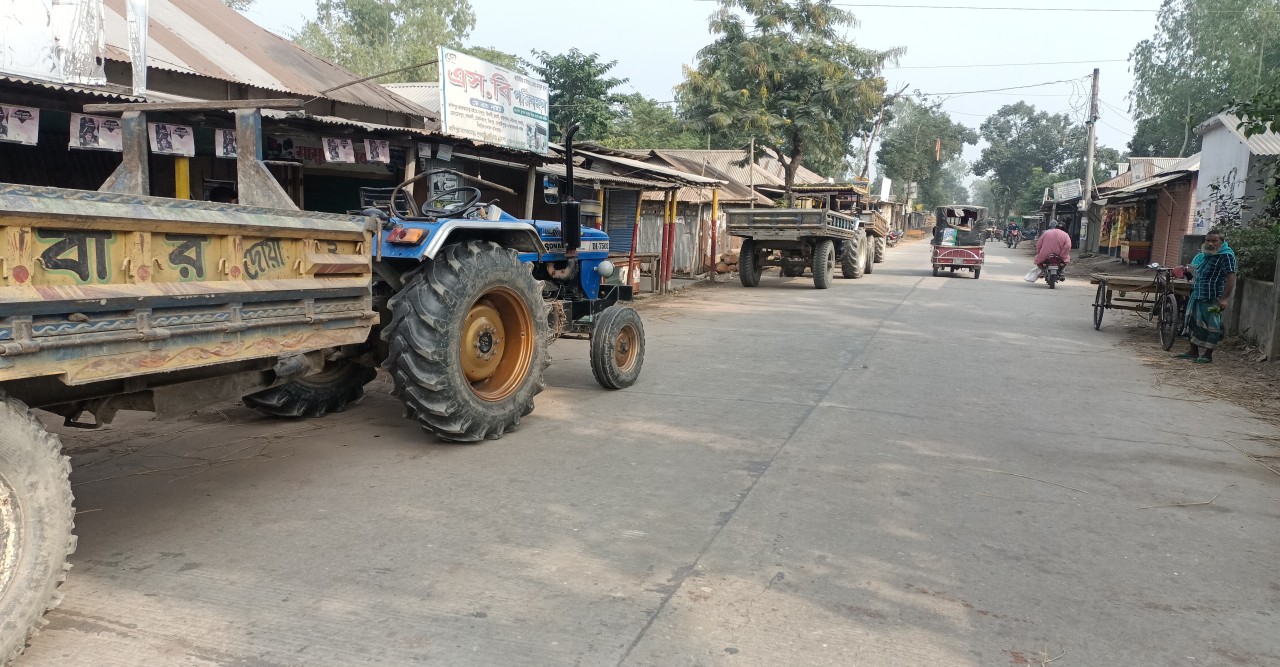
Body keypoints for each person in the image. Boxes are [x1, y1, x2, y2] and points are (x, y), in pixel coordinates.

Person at [1177, 229, 1237, 363]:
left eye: (1214, 241)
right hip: (1198, 294)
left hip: (1213, 297)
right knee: (1195, 323)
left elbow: (1231, 276)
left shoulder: (1226, 256)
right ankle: (1193, 351)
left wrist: (1225, 298)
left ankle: (1208, 354)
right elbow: (1197, 273)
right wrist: (1186, 272)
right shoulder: (1205, 255)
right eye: (1208, 240)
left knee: (1212, 326)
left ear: (1221, 242)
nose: (1210, 243)